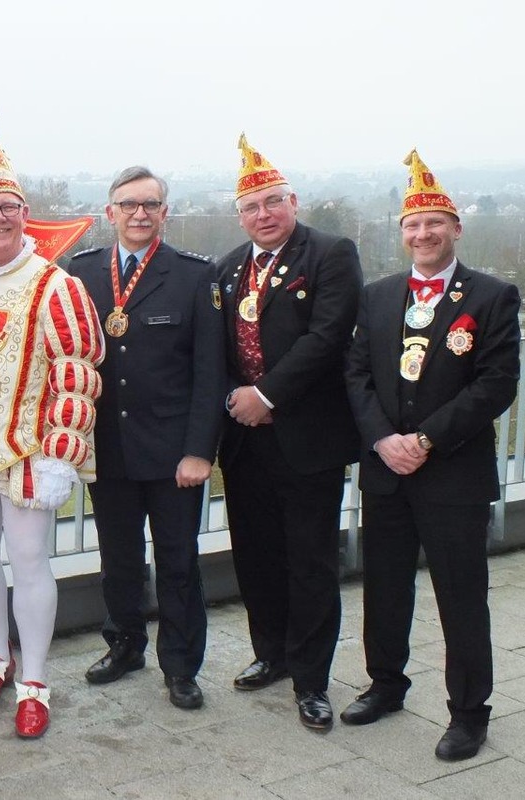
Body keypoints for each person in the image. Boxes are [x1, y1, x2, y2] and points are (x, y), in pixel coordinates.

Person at [342, 150, 520, 760]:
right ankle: (386, 685)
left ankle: (470, 711)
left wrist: (425, 439)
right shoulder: (379, 295)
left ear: (455, 229)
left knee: (461, 596)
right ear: (402, 234)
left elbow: (495, 384)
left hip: (453, 474)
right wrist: (383, 440)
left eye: (435, 223)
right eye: (413, 226)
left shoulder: (493, 296)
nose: (423, 234)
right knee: (384, 588)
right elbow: (357, 374)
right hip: (385, 471)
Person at [0, 121, 105, 738]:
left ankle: (34, 679)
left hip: (27, 451)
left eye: (8, 208)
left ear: (25, 213)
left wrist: (61, 453)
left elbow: (77, 370)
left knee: (32, 561)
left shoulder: (56, 284)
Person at [217, 134, 362, 730]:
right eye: (251, 207)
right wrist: (236, 398)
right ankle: (270, 654)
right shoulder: (227, 269)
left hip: (307, 439)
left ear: (293, 201)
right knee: (256, 556)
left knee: (310, 562)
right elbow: (217, 351)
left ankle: (311, 680)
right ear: (240, 214)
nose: (263, 214)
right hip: (246, 443)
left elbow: (327, 338)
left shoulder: (330, 254)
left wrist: (267, 395)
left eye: (273, 202)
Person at [67, 166, 224, 709]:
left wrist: (200, 450)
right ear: (109, 213)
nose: (140, 213)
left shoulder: (194, 276)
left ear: (165, 213)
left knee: (179, 561)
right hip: (106, 448)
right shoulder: (81, 273)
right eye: (129, 204)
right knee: (120, 557)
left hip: (173, 453)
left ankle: (180, 666)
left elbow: (210, 372)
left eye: (150, 205)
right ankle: (125, 644)